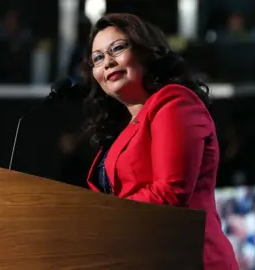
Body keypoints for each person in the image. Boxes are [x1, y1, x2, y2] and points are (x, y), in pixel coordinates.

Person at [82, 13, 237, 269]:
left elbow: (170, 193)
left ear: (145, 51)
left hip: (190, 259)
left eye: (117, 48)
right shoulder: (123, 128)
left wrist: (99, 216)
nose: (107, 62)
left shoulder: (174, 102)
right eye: (97, 58)